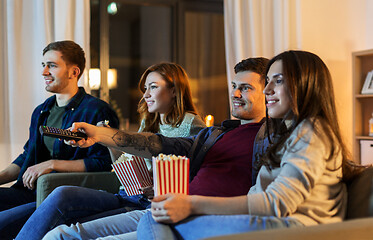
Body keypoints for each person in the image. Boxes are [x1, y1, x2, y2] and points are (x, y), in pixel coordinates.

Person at [134, 50, 354, 240]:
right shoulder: (289, 132)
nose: (267, 89)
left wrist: (191, 204)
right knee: (154, 217)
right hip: (268, 222)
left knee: (153, 219)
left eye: (277, 81)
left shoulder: (312, 130)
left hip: (289, 229)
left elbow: (276, 203)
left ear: (304, 84)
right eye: (267, 81)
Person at [41, 57, 269, 240]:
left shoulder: (273, 138)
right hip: (159, 208)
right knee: (60, 234)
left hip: (187, 214)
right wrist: (99, 134)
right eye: (234, 87)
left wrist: (185, 202)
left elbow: (268, 199)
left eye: (246, 88)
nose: (235, 94)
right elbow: (160, 145)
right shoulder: (215, 133)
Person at [15, 62, 206, 240]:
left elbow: (202, 173)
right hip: (127, 194)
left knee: (67, 230)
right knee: (62, 193)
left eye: (153, 87)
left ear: (174, 90)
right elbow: (125, 161)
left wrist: (161, 188)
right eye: (145, 88)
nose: (145, 94)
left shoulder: (192, 124)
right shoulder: (148, 122)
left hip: (146, 204)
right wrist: (106, 140)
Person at [0, 40, 119, 239]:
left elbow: (104, 163)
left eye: (52, 66)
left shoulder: (97, 110)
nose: (44, 72)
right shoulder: (42, 111)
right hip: (29, 191)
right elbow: (27, 156)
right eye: (43, 65)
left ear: (74, 72)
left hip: (59, 196)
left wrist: (52, 164)